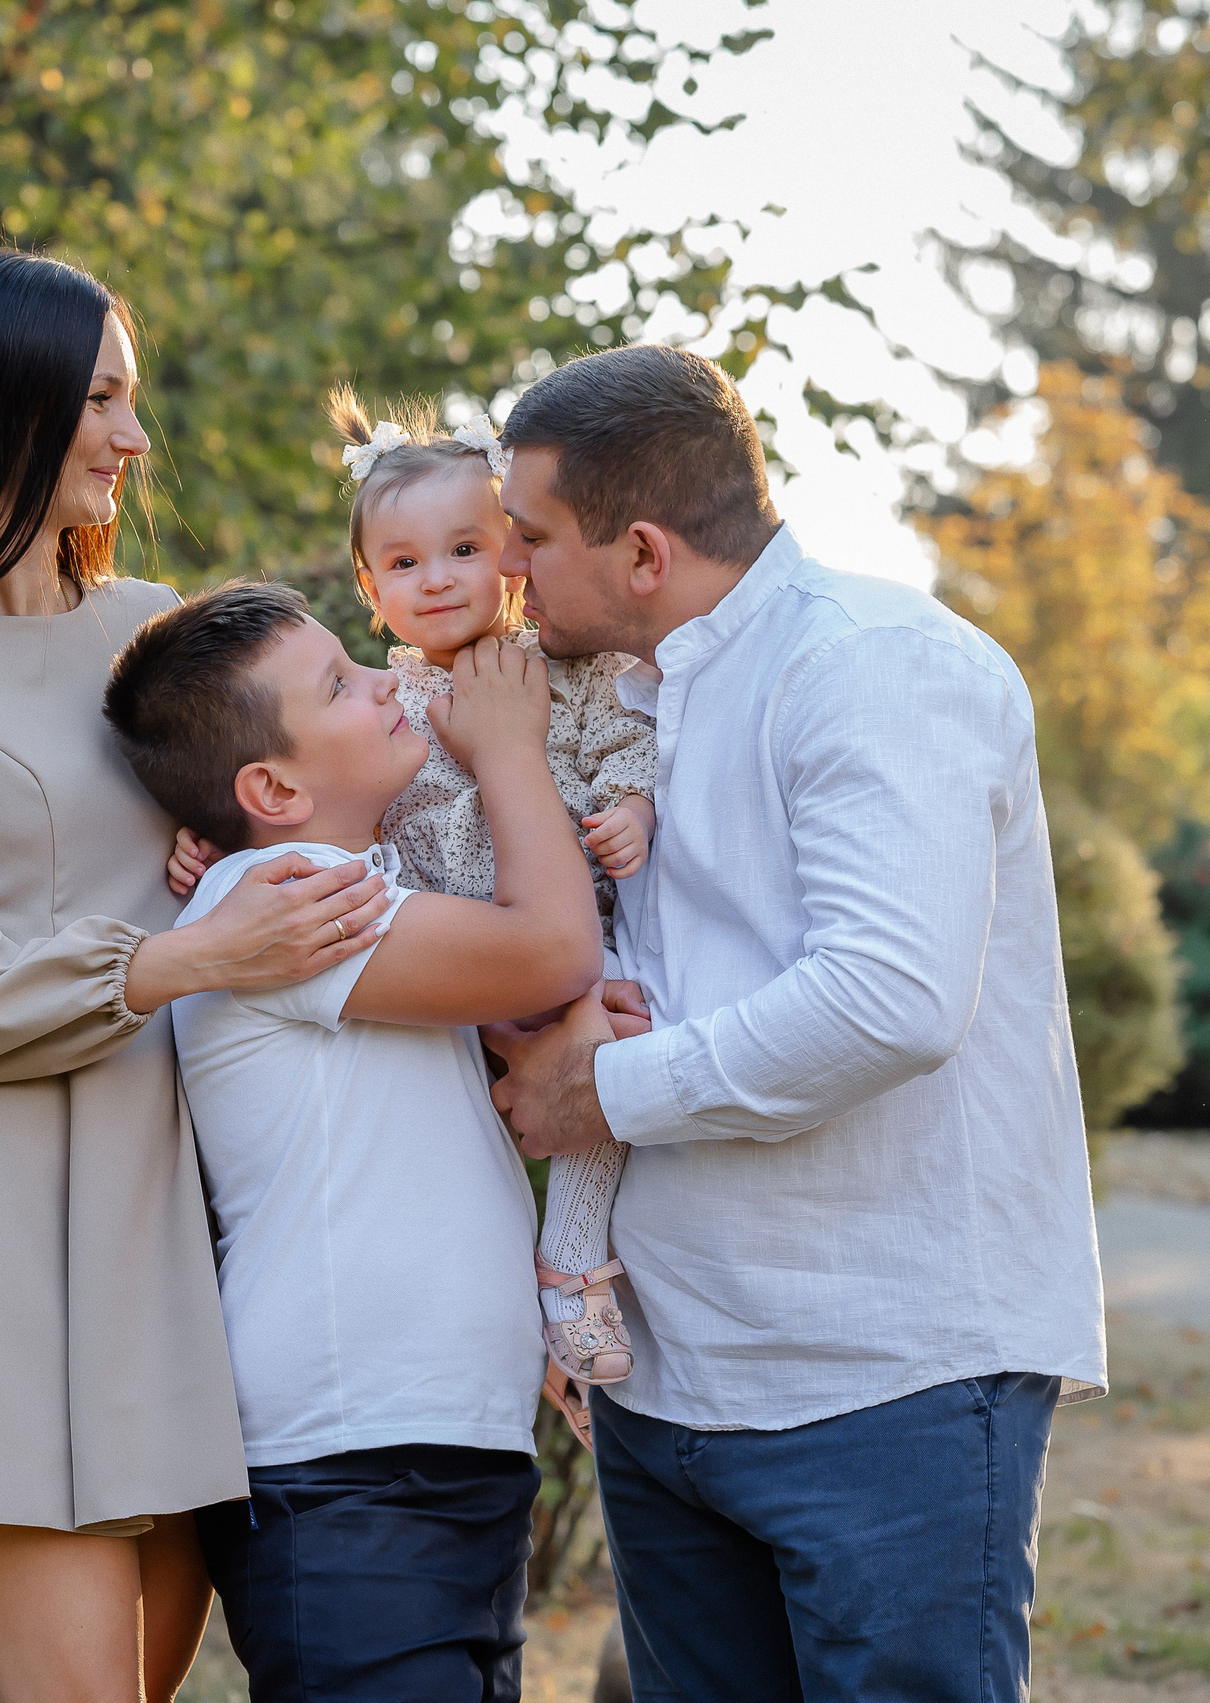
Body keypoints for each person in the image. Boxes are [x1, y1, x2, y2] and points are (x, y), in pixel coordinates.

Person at [0, 251, 400, 1703]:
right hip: (15, 1215)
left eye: (132, 399)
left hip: (211, 1197)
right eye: (102, 401)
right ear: (3, 410)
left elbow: (324, 795)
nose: (134, 438)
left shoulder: (154, 623)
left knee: (165, 1674)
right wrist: (177, 953)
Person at [481, 343, 1107, 1702]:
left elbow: (889, 998)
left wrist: (606, 1090)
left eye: (528, 536)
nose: (505, 567)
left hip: (884, 1380)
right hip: (668, 1381)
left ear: (641, 548)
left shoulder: (877, 666)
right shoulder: (606, 705)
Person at [103, 581, 614, 1703]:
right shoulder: (282, 897)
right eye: (340, 682)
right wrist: (508, 747)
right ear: (272, 788)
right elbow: (552, 948)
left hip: (437, 1450)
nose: (386, 679)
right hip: (349, 1474)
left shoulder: (365, 888)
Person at [166, 387, 655, 1418]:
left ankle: (570, 1272)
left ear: (510, 556)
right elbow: (333, 816)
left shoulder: (566, 673)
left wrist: (631, 806)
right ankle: (549, 1305)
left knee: (596, 1065)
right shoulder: (389, 700)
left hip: (560, 950)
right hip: (458, 960)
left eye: (465, 550)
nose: (437, 580)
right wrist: (217, 836)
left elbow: (633, 745)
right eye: (403, 563)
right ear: (368, 583)